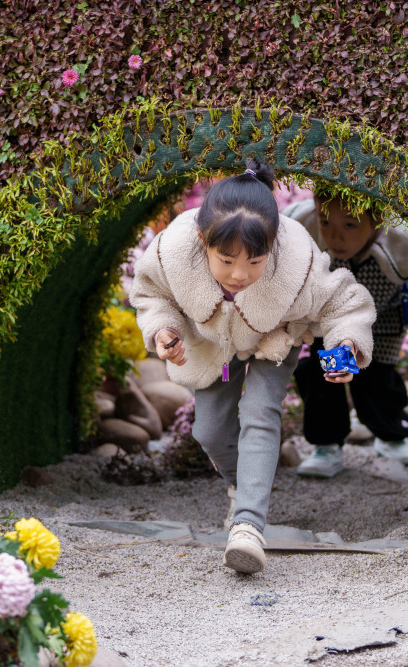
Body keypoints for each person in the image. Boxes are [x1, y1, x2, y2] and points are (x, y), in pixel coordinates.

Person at [129, 160, 376, 574]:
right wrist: (162, 330)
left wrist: (346, 344)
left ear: (274, 244)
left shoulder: (299, 262)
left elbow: (343, 302)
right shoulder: (172, 252)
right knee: (208, 430)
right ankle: (241, 486)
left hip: (273, 339)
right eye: (225, 261)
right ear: (201, 239)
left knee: (260, 415)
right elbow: (150, 293)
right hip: (210, 347)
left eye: (254, 262)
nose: (239, 274)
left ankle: (247, 527)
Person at [285, 188, 408, 475]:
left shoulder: (401, 246)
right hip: (327, 326)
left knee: (378, 383)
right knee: (323, 377)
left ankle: (391, 435)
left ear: (376, 220)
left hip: (381, 324)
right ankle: (326, 444)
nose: (335, 237)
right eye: (325, 222)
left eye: (350, 225)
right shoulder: (306, 236)